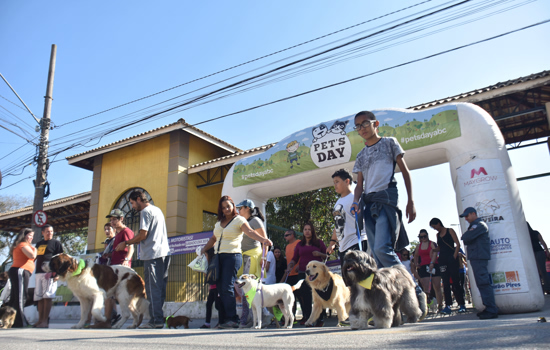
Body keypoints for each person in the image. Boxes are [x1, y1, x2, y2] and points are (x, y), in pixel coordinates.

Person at [350, 110, 415, 269]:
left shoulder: (389, 143)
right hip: (368, 205)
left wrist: (410, 201)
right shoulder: (360, 156)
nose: (362, 128)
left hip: (385, 201)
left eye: (365, 123)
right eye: (358, 126)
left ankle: (415, 289)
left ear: (376, 124)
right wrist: (355, 202)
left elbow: (405, 172)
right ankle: (389, 293)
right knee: (376, 256)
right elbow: (359, 185)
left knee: (382, 249)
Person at [200, 195, 272, 329]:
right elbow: (213, 239)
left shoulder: (239, 220)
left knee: (227, 287)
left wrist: (263, 240)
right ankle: (226, 319)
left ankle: (233, 319)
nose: (226, 209)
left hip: (233, 256)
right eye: (223, 207)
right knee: (221, 289)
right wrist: (203, 249)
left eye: (229, 206)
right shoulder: (218, 224)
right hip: (218, 257)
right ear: (220, 210)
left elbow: (250, 232)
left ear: (233, 206)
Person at [115, 190, 170, 329]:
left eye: (133, 203)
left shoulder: (145, 212)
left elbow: (143, 235)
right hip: (164, 253)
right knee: (160, 288)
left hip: (152, 254)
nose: (133, 206)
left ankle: (155, 320)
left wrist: (126, 243)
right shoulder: (157, 210)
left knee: (152, 289)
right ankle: (158, 318)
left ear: (139, 199)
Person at [234, 199, 268, 327]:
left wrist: (264, 258)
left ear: (247, 208)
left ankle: (248, 319)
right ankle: (257, 317)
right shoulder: (243, 222)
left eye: (240, 208)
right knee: (244, 289)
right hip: (244, 257)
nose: (238, 211)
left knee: (248, 289)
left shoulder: (255, 221)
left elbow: (265, 241)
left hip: (253, 256)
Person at [460, 207, 498, 319]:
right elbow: (466, 239)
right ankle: (488, 307)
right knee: (481, 283)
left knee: (483, 283)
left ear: (473, 214)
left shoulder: (479, 225)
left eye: (467, 216)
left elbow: (465, 237)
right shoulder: (474, 226)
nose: (466, 218)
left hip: (479, 257)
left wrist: (468, 238)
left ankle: (491, 309)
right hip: (476, 257)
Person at [326, 168, 368, 269]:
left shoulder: (356, 198)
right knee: (348, 281)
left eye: (337, 182)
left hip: (357, 242)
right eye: (334, 182)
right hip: (343, 247)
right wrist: (332, 243)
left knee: (359, 277)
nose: (335, 185)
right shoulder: (337, 203)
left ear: (347, 181)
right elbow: (337, 224)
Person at [288, 222, 327, 326]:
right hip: (303, 272)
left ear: (312, 231)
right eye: (305, 229)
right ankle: (308, 318)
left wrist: (319, 254)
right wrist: (291, 264)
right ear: (303, 232)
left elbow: (326, 256)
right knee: (305, 296)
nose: (307, 231)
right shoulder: (299, 245)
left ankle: (320, 319)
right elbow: (295, 258)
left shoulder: (318, 243)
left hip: (317, 274)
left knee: (318, 295)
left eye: (309, 229)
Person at [430, 218, 466, 314]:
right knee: (445, 283)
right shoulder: (437, 235)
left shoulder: (450, 231)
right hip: (442, 259)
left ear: (438, 223)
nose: (435, 229)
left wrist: (454, 256)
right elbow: (440, 247)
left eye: (435, 226)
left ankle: (462, 304)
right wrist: (434, 250)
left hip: (451, 258)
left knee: (456, 282)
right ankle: (448, 305)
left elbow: (457, 244)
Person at [107, 209, 135, 325]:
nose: (112, 221)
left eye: (115, 219)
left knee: (122, 294)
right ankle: (112, 317)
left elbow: (131, 247)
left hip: (122, 268)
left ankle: (134, 316)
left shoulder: (126, 231)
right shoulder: (118, 234)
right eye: (111, 219)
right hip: (114, 267)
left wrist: (127, 260)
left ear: (121, 219)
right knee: (115, 294)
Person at [34, 224, 64, 328]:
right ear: (42, 233)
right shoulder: (39, 244)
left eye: (51, 231)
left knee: (47, 297)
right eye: (47, 231)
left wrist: (57, 273)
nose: (49, 233)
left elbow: (61, 259)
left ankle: (45, 321)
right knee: (40, 297)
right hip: (39, 272)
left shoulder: (56, 243)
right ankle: (40, 320)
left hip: (50, 273)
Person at [7, 228, 36, 328]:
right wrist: (35, 249)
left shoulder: (22, 245)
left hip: (21, 271)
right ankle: (20, 321)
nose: (31, 238)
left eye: (32, 236)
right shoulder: (23, 245)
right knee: (20, 297)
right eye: (29, 235)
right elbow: (32, 255)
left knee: (15, 297)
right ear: (24, 235)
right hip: (20, 270)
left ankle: (9, 319)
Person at [413, 229, 443, 312]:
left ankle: (440, 304)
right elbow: (416, 255)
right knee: (426, 288)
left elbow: (435, 253)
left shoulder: (432, 244)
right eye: (421, 237)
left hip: (434, 265)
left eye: (424, 236)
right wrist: (416, 264)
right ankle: (426, 306)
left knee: (437, 286)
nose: (423, 238)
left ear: (427, 235)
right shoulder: (419, 246)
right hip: (423, 266)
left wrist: (432, 262)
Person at [200, 248, 224, 329]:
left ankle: (221, 322)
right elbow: (208, 276)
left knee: (218, 305)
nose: (205, 256)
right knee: (209, 304)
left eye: (206, 255)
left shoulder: (215, 263)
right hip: (212, 288)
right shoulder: (209, 263)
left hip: (217, 288)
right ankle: (207, 323)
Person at [281, 230, 300, 320]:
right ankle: (292, 317)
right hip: (290, 274)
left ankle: (306, 316)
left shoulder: (299, 243)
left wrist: (300, 265)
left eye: (287, 235)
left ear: (292, 235)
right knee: (291, 297)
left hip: (298, 273)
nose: (285, 237)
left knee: (301, 296)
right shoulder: (287, 246)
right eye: (284, 235)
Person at [527, 222, 550, 294]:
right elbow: (543, 242)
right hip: (540, 252)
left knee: (536, 272)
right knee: (543, 271)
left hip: (532, 253)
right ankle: (547, 288)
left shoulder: (525, 235)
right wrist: (547, 252)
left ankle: (541, 289)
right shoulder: (535, 233)